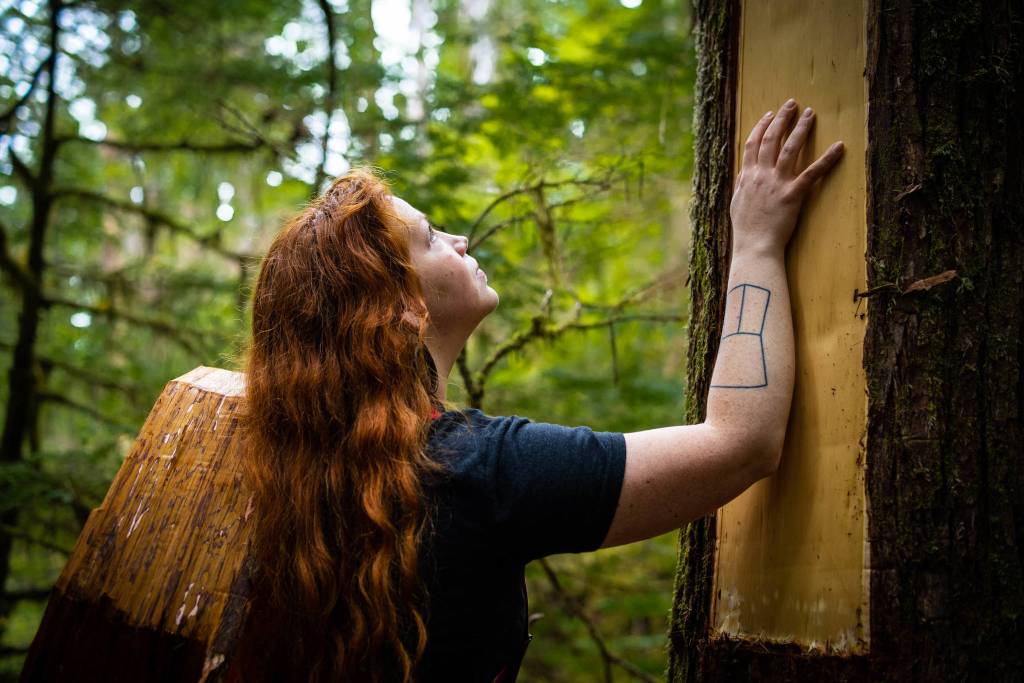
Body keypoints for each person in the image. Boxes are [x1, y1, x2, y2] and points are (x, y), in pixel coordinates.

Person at [236, 97, 844, 683]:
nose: (460, 241)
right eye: (431, 239)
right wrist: (759, 241)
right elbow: (743, 442)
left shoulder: (292, 478)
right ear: (399, 308)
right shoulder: (475, 471)